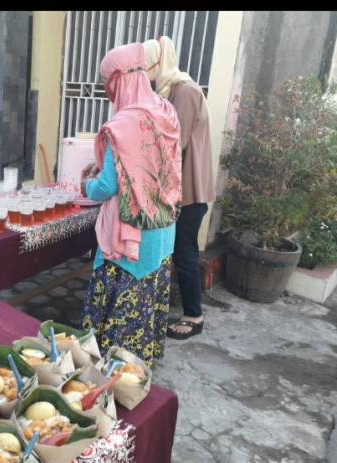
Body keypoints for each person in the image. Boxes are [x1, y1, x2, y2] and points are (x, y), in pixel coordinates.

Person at [79, 42, 182, 367]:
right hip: (163, 229)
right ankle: (138, 369)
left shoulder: (124, 125)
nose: (111, 95)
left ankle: (108, 374)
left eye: (111, 85)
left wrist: (86, 184)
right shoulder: (165, 111)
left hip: (131, 239)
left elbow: (107, 186)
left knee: (119, 311)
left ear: (120, 81)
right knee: (146, 304)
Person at [142, 36, 216, 340]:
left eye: (146, 65)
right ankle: (187, 308)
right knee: (179, 250)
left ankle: (193, 314)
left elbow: (175, 145)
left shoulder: (184, 92)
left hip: (190, 192)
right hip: (182, 191)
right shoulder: (173, 89)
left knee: (184, 251)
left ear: (159, 63)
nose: (143, 73)